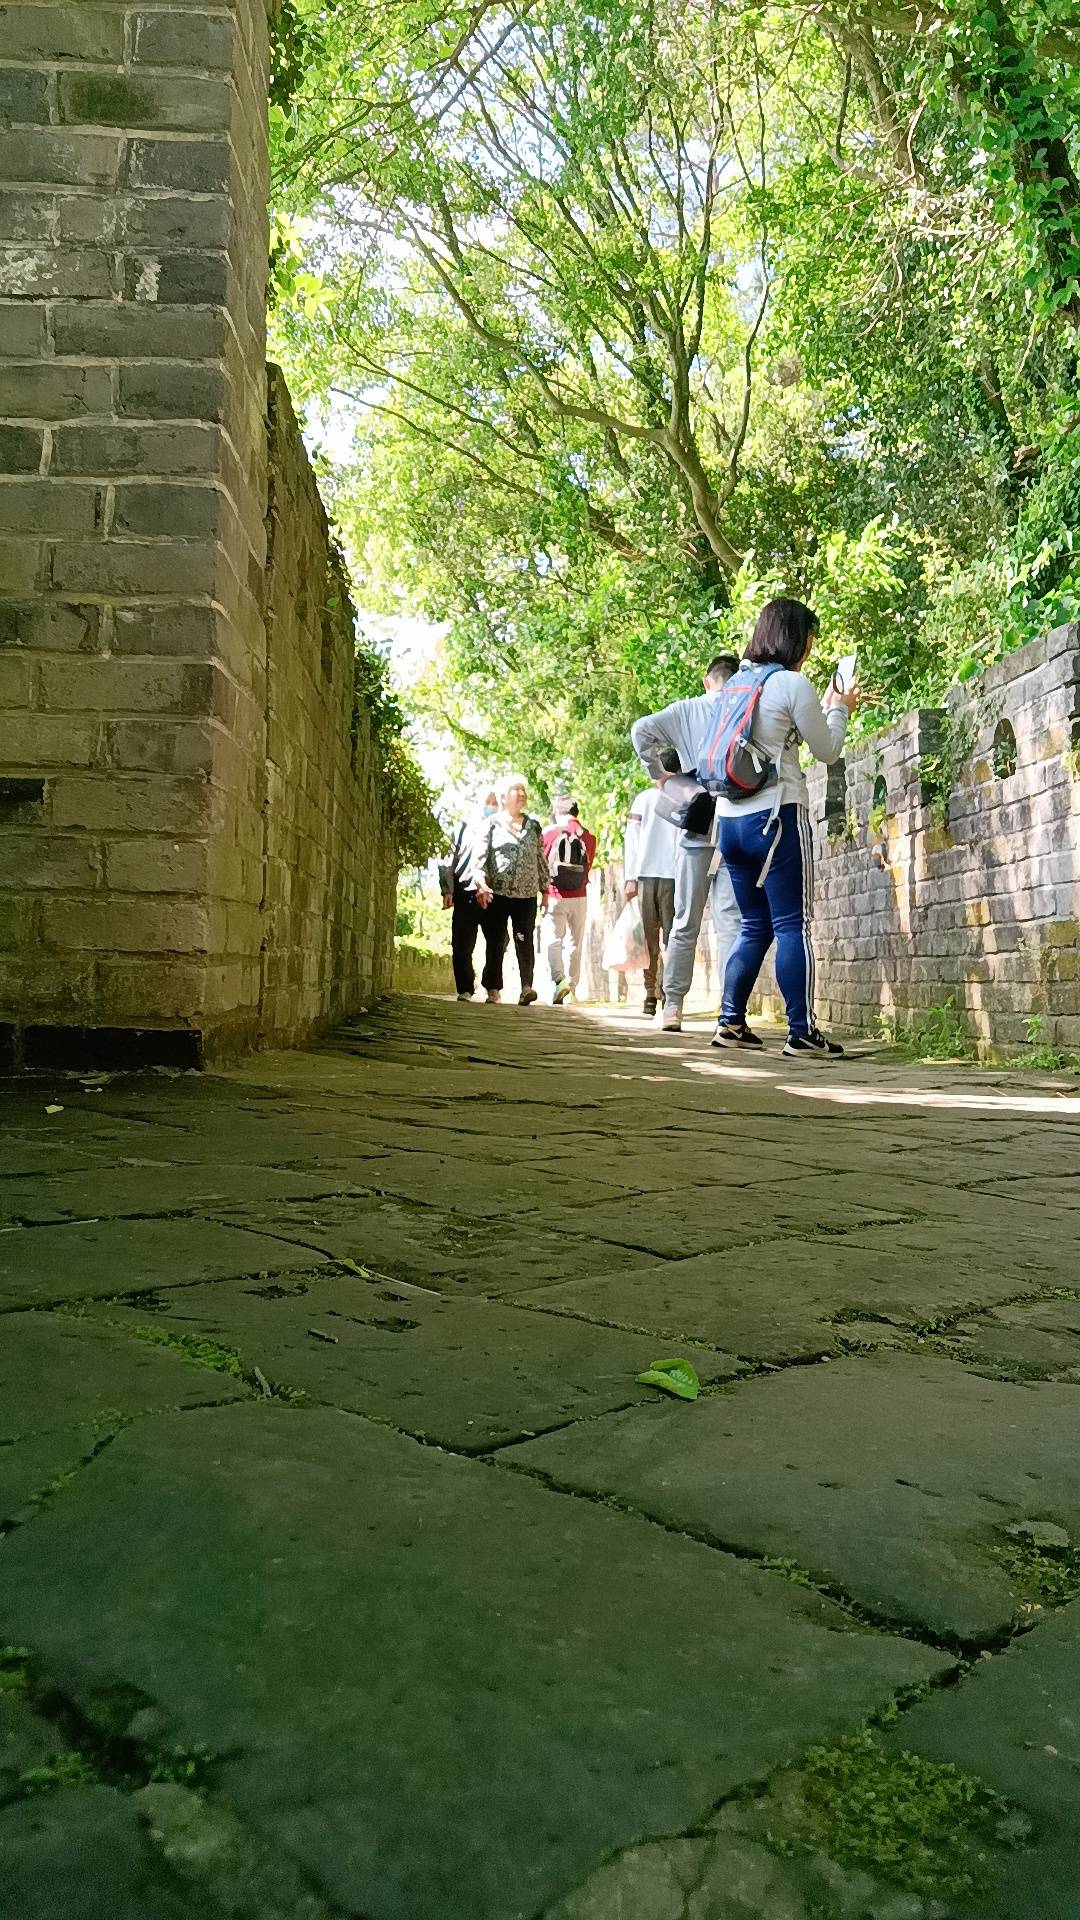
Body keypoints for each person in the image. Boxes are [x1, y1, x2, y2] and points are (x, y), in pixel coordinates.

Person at [713, 596, 859, 1060]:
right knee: (792, 923)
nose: (810, 648)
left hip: (729, 821)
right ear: (797, 639)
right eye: (809, 638)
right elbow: (828, 750)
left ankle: (730, 1022)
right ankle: (801, 1032)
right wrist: (840, 707)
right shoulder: (792, 684)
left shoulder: (736, 683)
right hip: (776, 818)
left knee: (754, 924)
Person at [630, 654, 742, 1034]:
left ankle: (673, 1005)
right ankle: (731, 1012)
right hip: (735, 821)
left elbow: (640, 731)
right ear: (736, 679)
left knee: (684, 921)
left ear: (707, 680)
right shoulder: (745, 706)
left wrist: (659, 773)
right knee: (730, 921)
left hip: (697, 822)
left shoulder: (686, 710)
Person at [473, 775, 551, 1005]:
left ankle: (526, 987)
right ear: (504, 797)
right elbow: (480, 858)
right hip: (497, 893)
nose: (522, 795)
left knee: (524, 939)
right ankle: (493, 988)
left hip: (526, 895)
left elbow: (540, 858)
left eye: (523, 790)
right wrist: (481, 883)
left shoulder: (533, 826)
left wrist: (545, 890)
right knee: (496, 941)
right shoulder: (491, 824)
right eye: (517, 790)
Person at [623, 750, 680, 1018]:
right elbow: (633, 839)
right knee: (666, 939)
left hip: (653, 876)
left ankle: (656, 994)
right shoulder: (650, 800)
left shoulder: (648, 799)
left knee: (656, 939)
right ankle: (660, 993)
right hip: (666, 876)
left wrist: (630, 878)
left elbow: (631, 842)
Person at [439, 789, 498, 1002]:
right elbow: (448, 860)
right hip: (465, 892)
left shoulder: (501, 831)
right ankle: (465, 987)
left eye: (494, 802)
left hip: (493, 894)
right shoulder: (461, 829)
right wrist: (447, 890)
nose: (491, 806)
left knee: (497, 942)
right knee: (462, 944)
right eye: (487, 801)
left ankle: (492, 986)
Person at [541, 796, 596, 1005]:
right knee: (575, 944)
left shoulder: (549, 833)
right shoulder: (588, 836)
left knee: (554, 941)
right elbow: (588, 865)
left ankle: (559, 983)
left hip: (555, 895)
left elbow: (542, 865)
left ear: (557, 812)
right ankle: (572, 990)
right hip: (580, 896)